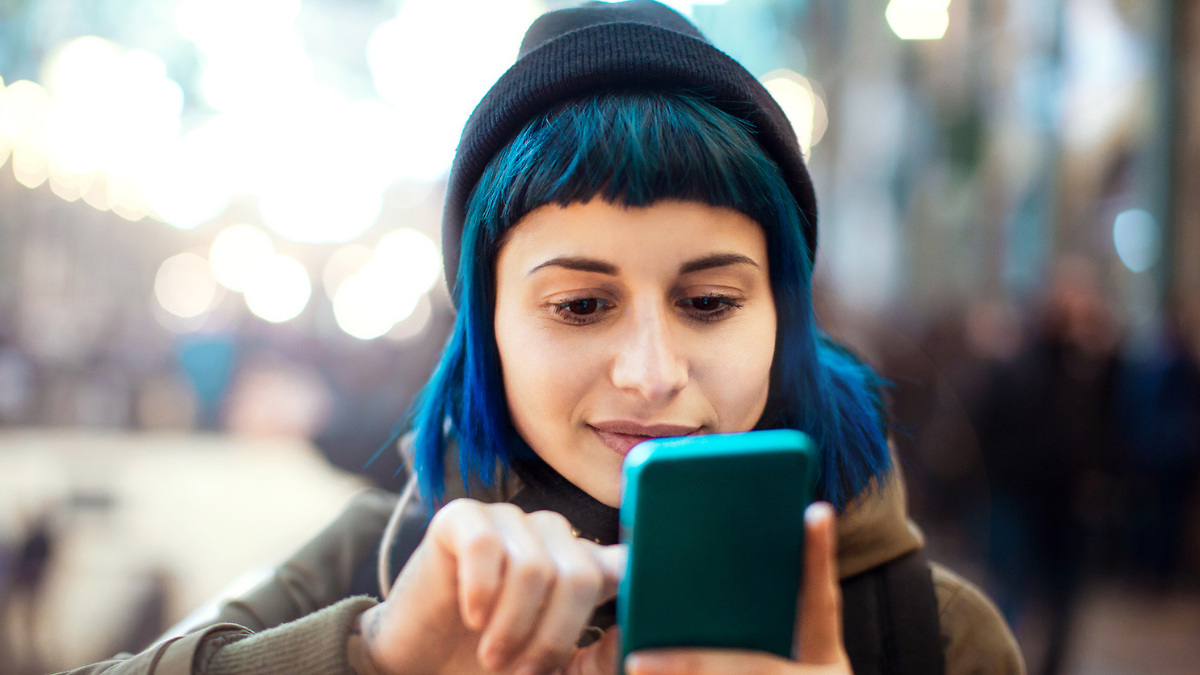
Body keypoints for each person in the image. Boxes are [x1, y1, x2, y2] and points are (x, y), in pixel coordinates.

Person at [65, 2, 1023, 674]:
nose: (650, 374)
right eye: (580, 306)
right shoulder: (377, 564)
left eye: (708, 302)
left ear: (784, 318)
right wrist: (376, 656)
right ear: (486, 330)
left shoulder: (929, 629)